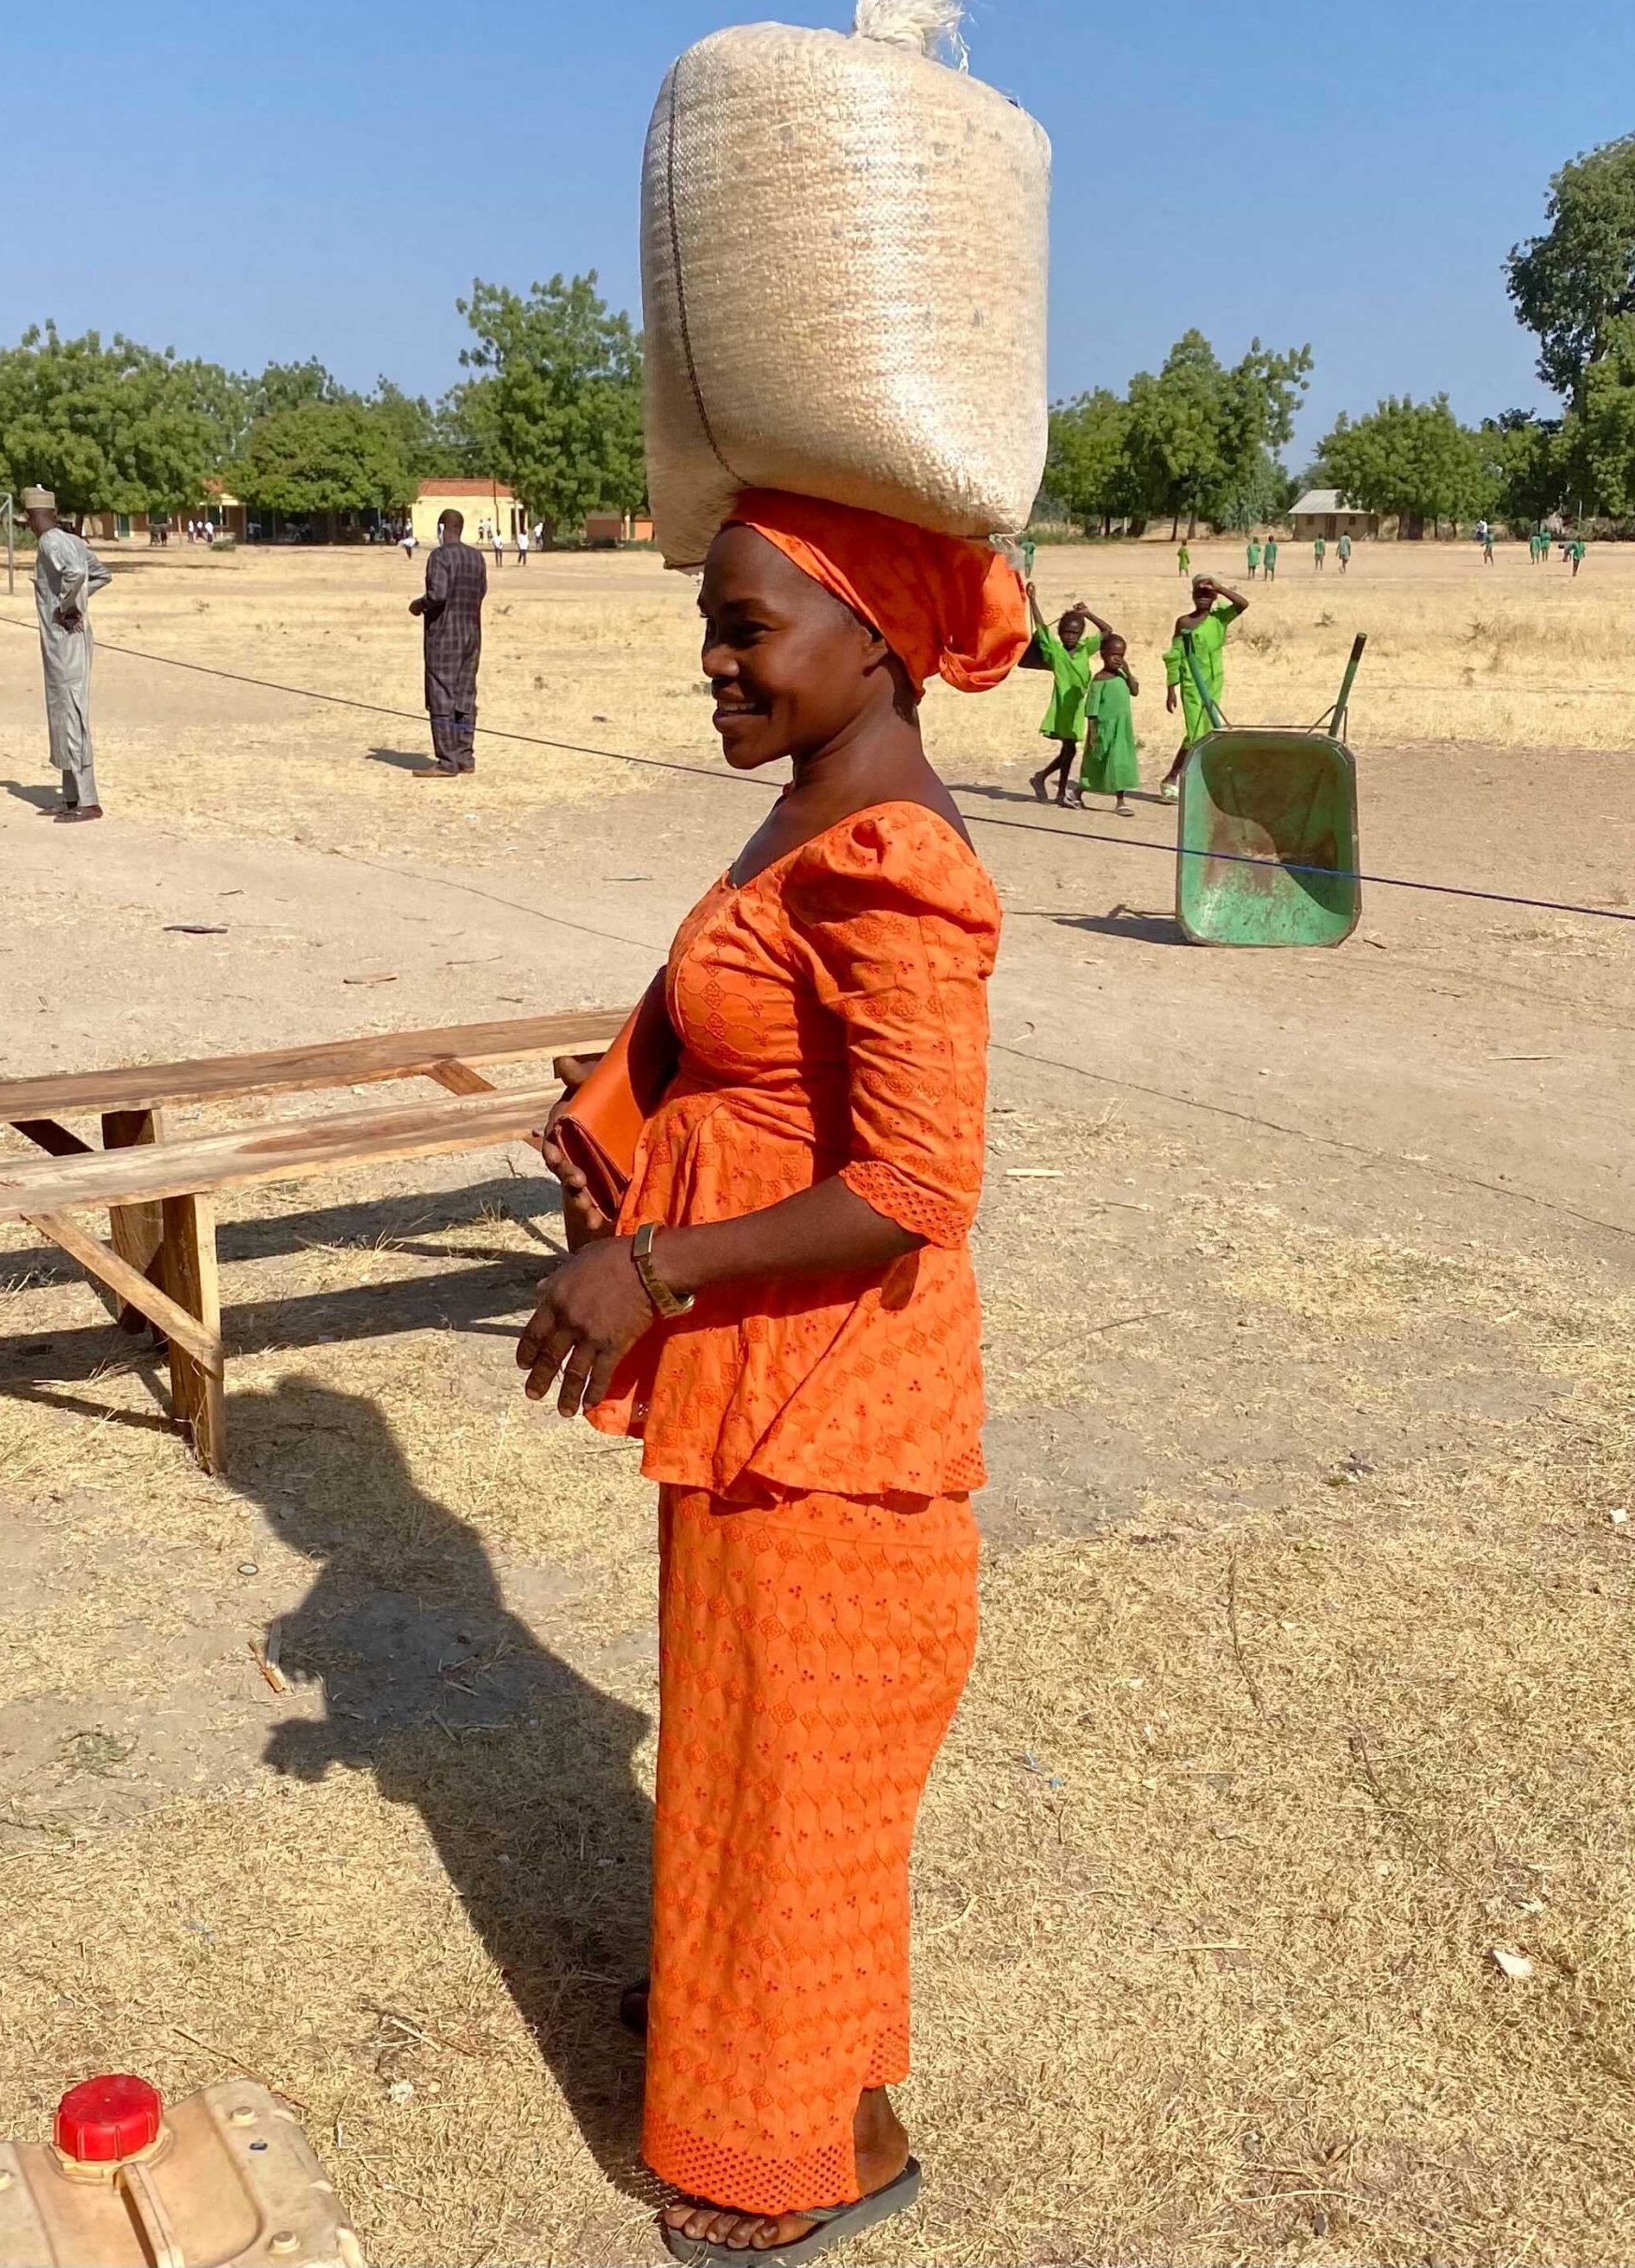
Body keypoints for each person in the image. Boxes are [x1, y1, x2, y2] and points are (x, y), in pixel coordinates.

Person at [518, 487, 1023, 2267]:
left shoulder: (900, 863)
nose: (714, 666)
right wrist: (618, 1117)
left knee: (807, 1773)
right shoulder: (805, 811)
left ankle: (813, 2148)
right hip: (754, 1372)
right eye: (709, 631)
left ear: (876, 637)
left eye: (748, 631)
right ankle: (751, 2040)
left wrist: (644, 1267)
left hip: (839, 1405)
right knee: (737, 1738)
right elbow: (733, 1039)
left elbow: (910, 1186)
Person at [21, 487, 111, 825]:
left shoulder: (51, 542)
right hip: (59, 644)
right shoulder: (72, 540)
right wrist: (76, 600)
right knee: (61, 712)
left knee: (72, 712)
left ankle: (89, 801)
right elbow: (100, 574)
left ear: (32, 516)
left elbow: (75, 576)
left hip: (67, 640)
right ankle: (71, 797)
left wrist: (68, 607)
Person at [408, 506, 487, 777]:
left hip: (444, 637)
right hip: (471, 636)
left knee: (442, 695)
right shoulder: (477, 558)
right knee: (465, 695)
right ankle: (465, 757)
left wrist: (419, 605)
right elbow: (481, 592)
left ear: (441, 529)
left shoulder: (439, 556)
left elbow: (438, 594)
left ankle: (446, 762)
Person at [1159, 574, 1248, 798]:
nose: (1203, 599)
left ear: (1214, 597)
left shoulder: (1220, 619)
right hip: (1191, 683)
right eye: (1199, 594)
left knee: (1207, 731)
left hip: (1214, 682)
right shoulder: (1184, 622)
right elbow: (1174, 655)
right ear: (1192, 595)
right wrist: (1171, 687)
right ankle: (1175, 777)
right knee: (1194, 733)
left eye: (1208, 595)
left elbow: (1242, 604)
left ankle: (1180, 779)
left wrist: (1219, 587)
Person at [1026, 595, 1112, 806]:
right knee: (1070, 749)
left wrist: (1087, 614)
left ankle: (1042, 779)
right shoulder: (1055, 651)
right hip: (1063, 706)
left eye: (1075, 632)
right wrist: (1033, 600)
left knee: (1069, 749)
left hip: (1078, 705)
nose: (1070, 636)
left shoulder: (1085, 649)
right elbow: (1041, 628)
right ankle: (1059, 790)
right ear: (1060, 633)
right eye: (1066, 632)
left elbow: (1108, 631)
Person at [1079, 634, 1140, 815]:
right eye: (1113, 654)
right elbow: (1091, 709)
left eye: (1121, 655)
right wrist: (1092, 732)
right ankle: (1078, 791)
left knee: (1119, 762)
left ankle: (1120, 800)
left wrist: (1128, 671)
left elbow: (1135, 691)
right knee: (1097, 761)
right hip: (1104, 728)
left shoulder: (1121, 675)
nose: (1117, 658)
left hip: (1122, 728)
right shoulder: (1099, 680)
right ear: (1103, 654)